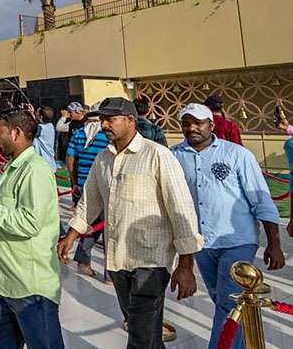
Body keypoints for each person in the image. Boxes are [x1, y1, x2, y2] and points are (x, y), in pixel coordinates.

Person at [58, 97, 204, 349]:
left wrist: (186, 264)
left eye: (110, 119)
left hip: (152, 260)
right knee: (141, 328)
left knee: (140, 332)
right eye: (102, 119)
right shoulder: (103, 158)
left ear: (130, 120)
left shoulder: (157, 155)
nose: (104, 124)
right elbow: (90, 200)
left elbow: (181, 209)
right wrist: (71, 235)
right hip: (118, 260)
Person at [171, 103, 284, 349]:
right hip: (200, 243)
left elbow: (261, 199)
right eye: (186, 123)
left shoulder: (237, 155)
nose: (192, 128)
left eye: (198, 122)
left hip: (237, 241)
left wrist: (274, 244)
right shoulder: (173, 156)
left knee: (228, 301)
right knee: (225, 301)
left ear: (211, 124)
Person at [0, 108, 63, 348]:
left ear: (16, 133)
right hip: (7, 281)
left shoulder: (35, 170)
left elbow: (29, 222)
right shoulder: (14, 167)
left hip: (30, 286)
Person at [64, 107, 110, 278]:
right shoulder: (106, 137)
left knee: (88, 224)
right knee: (108, 229)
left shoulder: (78, 135)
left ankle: (83, 261)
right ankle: (110, 273)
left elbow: (70, 159)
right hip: (102, 188)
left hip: (84, 185)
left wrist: (74, 182)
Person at [32, 105, 58, 171]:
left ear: (41, 117)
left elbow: (31, 129)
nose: (35, 115)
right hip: (50, 164)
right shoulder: (50, 126)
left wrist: (30, 115)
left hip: (44, 165)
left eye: (36, 113)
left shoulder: (41, 128)